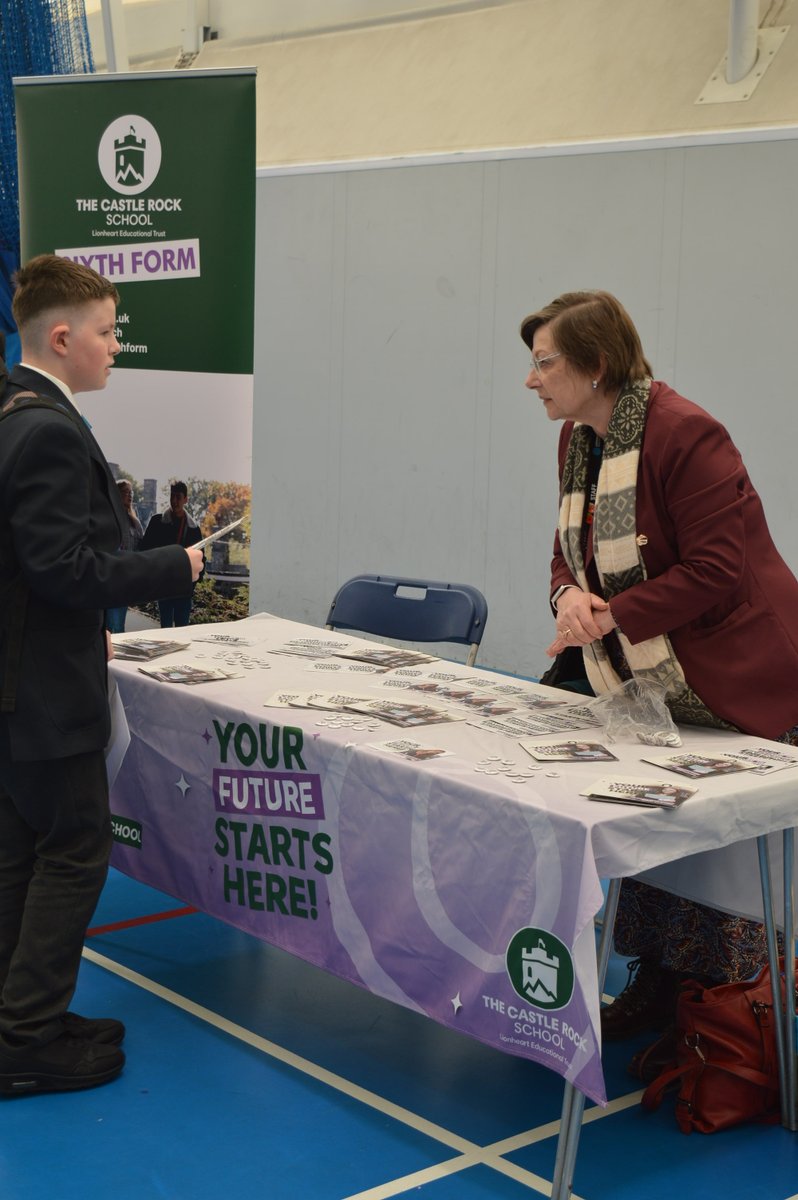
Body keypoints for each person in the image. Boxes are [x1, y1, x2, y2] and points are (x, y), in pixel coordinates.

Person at [520, 290, 798, 1071]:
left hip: (738, 674)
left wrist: (612, 616)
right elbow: (567, 552)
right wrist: (568, 598)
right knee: (653, 825)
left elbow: (719, 568)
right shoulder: (579, 439)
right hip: (652, 678)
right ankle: (660, 981)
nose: (531, 380)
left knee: (723, 848)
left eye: (544, 362)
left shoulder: (686, 434)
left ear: (596, 365)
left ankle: (726, 1010)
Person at [0, 254, 204, 1095]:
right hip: (42, 691)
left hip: (19, 679)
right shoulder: (48, 429)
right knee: (76, 851)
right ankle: (26, 1035)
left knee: (20, 850)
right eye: (108, 331)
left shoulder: (12, 410)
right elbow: (63, 568)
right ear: (62, 337)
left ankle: (18, 1016)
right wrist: (172, 566)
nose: (116, 345)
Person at [140, 481, 203, 627]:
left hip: (184, 588)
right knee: (165, 628)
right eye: (172, 496)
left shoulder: (193, 528)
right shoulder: (157, 522)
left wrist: (191, 585)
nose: (174, 501)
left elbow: (201, 559)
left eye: (178, 497)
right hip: (164, 585)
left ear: (185, 499)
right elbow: (145, 549)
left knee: (182, 629)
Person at [105, 480, 144, 634]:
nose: (130, 495)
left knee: (119, 625)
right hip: (110, 579)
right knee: (110, 625)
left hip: (125, 580)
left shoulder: (135, 523)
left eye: (131, 492)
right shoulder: (108, 520)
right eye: (125, 492)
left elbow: (140, 553)